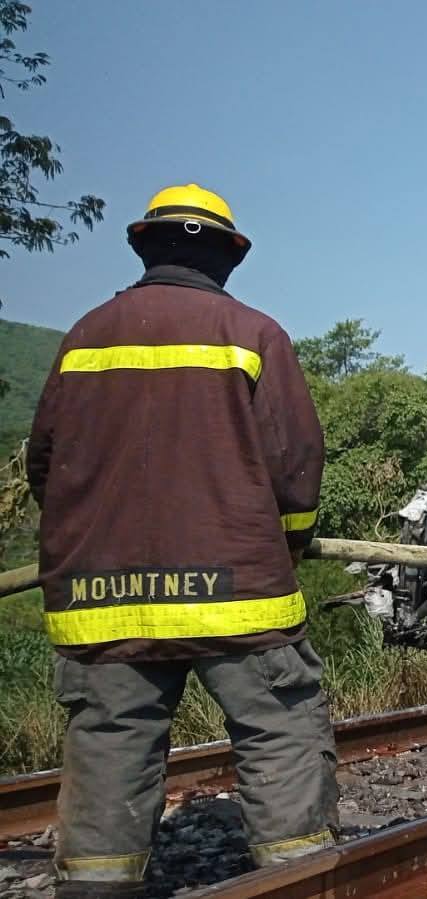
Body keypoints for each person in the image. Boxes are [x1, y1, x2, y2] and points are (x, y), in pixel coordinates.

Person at [26, 184, 335, 898]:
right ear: (228, 257)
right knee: (279, 725)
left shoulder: (84, 336)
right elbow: (296, 464)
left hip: (101, 596)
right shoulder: (252, 334)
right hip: (237, 591)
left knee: (110, 738)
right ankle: (296, 879)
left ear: (145, 248)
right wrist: (285, 545)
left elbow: (45, 461)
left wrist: (95, 537)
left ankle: (98, 885)